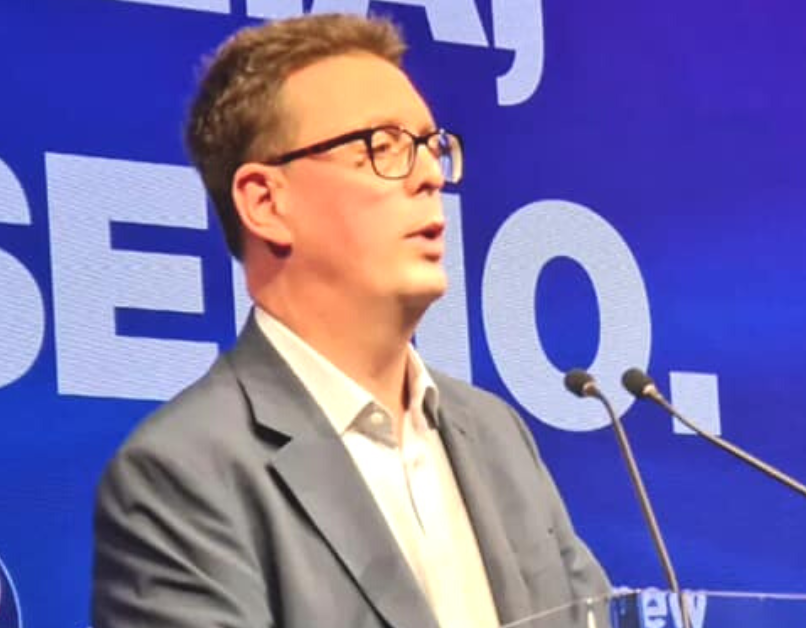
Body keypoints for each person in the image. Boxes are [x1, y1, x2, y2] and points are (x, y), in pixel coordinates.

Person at [91, 13, 610, 628]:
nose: (428, 176)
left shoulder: (496, 436)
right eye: (382, 147)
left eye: (431, 147)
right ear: (266, 202)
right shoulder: (182, 474)